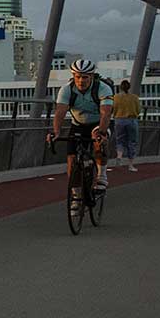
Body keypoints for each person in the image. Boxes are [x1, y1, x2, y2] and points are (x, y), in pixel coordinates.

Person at [47, 59, 114, 212]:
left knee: (99, 141)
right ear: (73, 76)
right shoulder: (67, 90)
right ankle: (76, 196)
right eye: (78, 76)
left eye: (85, 77)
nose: (81, 80)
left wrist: (101, 133)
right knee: (72, 160)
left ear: (92, 77)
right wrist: (56, 132)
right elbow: (60, 112)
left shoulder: (103, 88)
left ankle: (102, 176)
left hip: (99, 122)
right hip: (78, 124)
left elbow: (106, 113)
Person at [112, 79, 141, 172]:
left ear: (120, 87)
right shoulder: (134, 97)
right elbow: (138, 110)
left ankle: (119, 156)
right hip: (131, 120)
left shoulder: (115, 97)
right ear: (129, 87)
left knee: (119, 140)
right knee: (131, 142)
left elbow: (113, 109)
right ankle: (131, 165)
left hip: (119, 120)